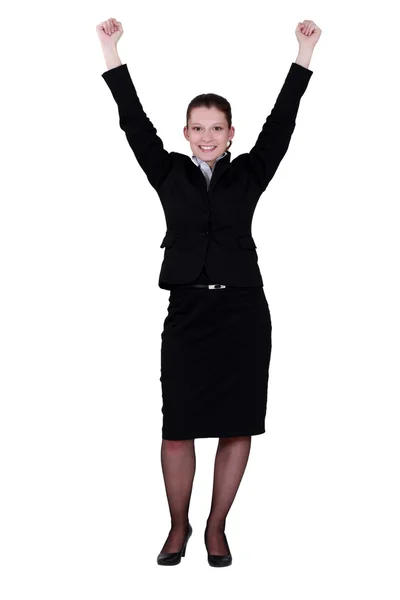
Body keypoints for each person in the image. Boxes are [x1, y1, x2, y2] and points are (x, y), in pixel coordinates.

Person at [97, 17, 322, 567]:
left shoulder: (249, 175)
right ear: (186, 133)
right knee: (178, 430)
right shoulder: (168, 173)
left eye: (216, 127)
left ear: (230, 134)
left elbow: (281, 126)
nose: (206, 136)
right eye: (197, 127)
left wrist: (303, 54)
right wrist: (111, 53)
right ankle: (179, 526)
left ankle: (218, 528)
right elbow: (134, 125)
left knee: (237, 425)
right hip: (188, 312)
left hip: (243, 313)